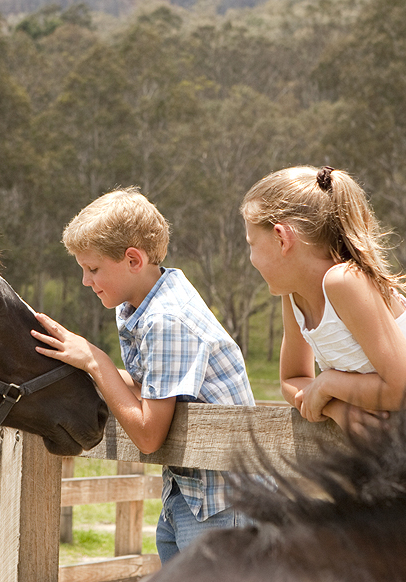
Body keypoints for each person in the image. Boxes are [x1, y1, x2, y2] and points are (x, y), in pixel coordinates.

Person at [31, 187, 255, 563]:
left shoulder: (166, 318)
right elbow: (156, 386)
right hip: (189, 493)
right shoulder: (148, 300)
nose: (86, 281)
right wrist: (79, 367)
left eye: (93, 269)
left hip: (223, 503)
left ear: (133, 259)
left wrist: (96, 362)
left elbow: (149, 436)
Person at [241, 165, 406, 430]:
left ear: (281, 238)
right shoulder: (295, 294)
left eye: (251, 243)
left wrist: (329, 383)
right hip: (400, 454)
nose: (251, 258)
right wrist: (336, 406)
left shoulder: (343, 281)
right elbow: (292, 379)